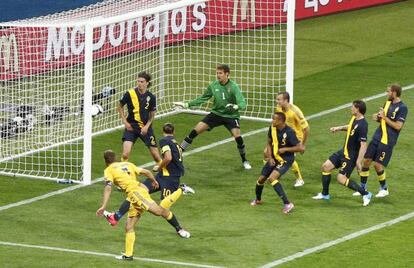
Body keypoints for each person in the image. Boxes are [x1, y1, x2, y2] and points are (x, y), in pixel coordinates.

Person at [103, 123, 195, 238]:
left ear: (163, 131)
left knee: (162, 210)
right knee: (136, 191)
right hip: (163, 176)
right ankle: (116, 216)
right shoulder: (175, 143)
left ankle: (179, 225)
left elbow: (168, 157)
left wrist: (159, 166)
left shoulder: (164, 141)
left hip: (170, 180)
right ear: (174, 132)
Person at [96, 150, 189, 261]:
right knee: (129, 226)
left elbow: (108, 187)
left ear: (105, 161)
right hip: (136, 194)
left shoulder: (108, 170)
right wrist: (153, 180)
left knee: (159, 211)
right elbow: (146, 172)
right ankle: (128, 255)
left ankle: (181, 190)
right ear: (115, 158)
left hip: (136, 194)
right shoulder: (127, 164)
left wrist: (103, 206)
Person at [173, 64, 251, 170]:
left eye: (220, 73)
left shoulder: (234, 86)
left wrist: (236, 106)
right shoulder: (213, 85)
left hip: (231, 116)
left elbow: (242, 102)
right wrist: (187, 104)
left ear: (227, 74)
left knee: (238, 137)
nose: (218, 75)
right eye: (217, 73)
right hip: (216, 114)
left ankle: (244, 160)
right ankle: (178, 154)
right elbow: (203, 98)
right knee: (195, 131)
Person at [312, 100, 373, 206]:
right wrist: (338, 128)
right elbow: (350, 127)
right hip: (343, 151)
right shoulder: (354, 118)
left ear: (358, 109)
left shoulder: (363, 125)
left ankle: (366, 194)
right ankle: (325, 194)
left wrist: (358, 162)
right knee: (326, 166)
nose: (351, 108)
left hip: (351, 156)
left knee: (341, 178)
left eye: (352, 107)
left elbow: (363, 145)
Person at [358, 84, 408, 197]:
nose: (387, 93)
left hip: (388, 140)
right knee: (366, 161)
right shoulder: (387, 103)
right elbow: (383, 120)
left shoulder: (403, 108)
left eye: (388, 91)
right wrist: (378, 118)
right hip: (377, 136)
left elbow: (398, 126)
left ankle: (384, 188)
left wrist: (384, 118)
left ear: (394, 93)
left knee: (377, 165)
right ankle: (362, 188)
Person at [250, 112, 304, 214]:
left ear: (281, 121)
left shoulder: (289, 132)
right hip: (274, 157)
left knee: (272, 178)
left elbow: (300, 148)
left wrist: (286, 149)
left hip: (286, 159)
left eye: (274, 119)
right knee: (261, 179)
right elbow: (269, 143)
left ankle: (288, 204)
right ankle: (258, 200)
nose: (272, 121)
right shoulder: (272, 128)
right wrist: (270, 157)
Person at [117, 71, 161, 171]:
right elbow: (119, 106)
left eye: (142, 81)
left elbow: (152, 114)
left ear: (147, 83)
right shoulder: (130, 93)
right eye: (138, 81)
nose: (139, 83)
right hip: (131, 127)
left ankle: (163, 168)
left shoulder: (151, 97)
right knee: (125, 154)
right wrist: (125, 122)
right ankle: (123, 175)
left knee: (156, 156)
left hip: (145, 128)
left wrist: (147, 126)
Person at [263, 92, 309, 187]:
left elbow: (306, 128)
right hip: (282, 135)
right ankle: (272, 172)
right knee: (266, 152)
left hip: (294, 137)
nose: (277, 101)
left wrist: (302, 145)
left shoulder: (295, 111)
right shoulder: (279, 108)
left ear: (286, 100)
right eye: (277, 99)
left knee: (287, 158)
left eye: (279, 99)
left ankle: (299, 179)